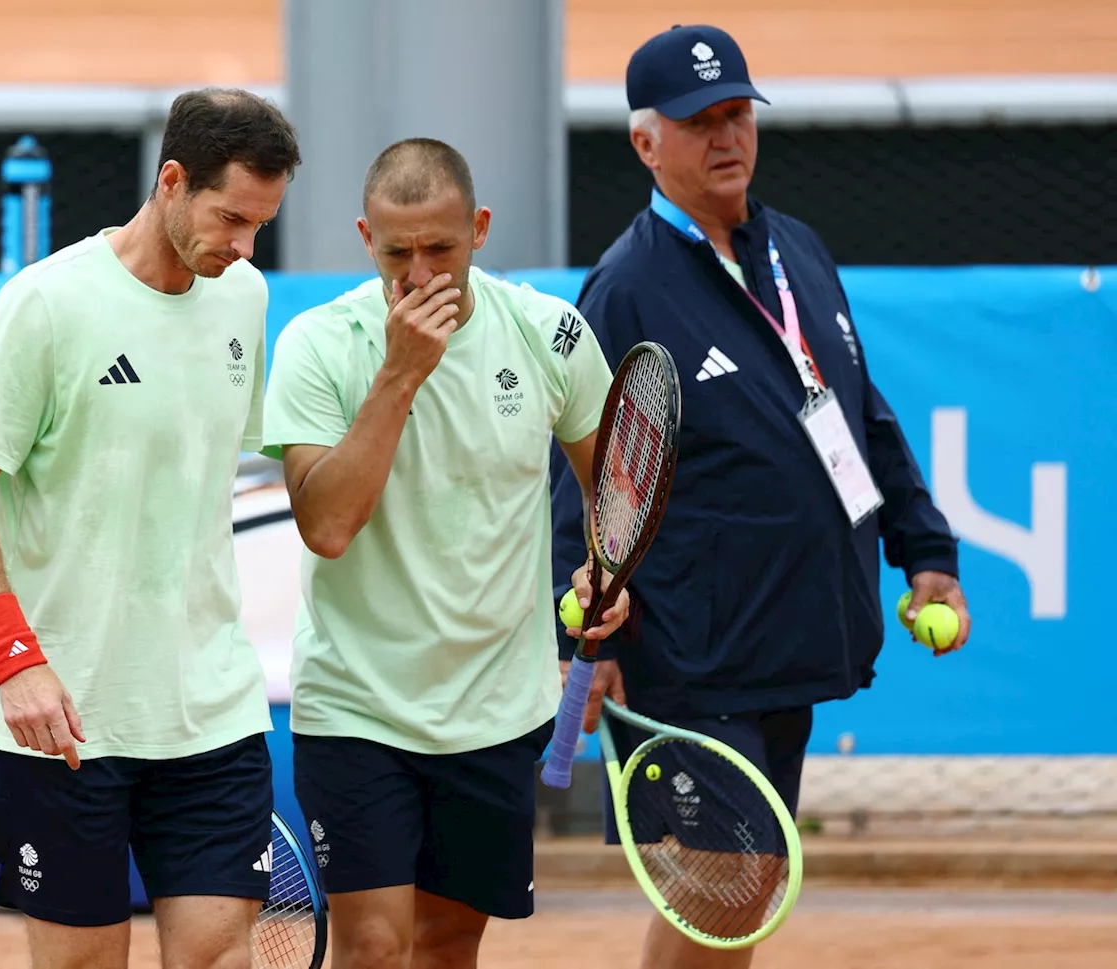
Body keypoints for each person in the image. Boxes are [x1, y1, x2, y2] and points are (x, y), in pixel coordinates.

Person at [548, 24, 973, 969]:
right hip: (691, 650)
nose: (726, 135)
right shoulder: (624, 289)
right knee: (724, 886)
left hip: (791, 632)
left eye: (738, 113)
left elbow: (861, 416)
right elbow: (584, 471)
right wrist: (580, 634)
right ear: (645, 143)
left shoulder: (799, 251)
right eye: (699, 121)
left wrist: (928, 552)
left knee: (748, 885)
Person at [0, 88, 301, 969]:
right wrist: (15, 659)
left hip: (210, 710)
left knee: (218, 958)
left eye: (262, 225)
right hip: (61, 720)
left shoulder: (241, 296)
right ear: (172, 180)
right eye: (230, 218)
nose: (245, 247)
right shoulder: (47, 304)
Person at [259, 137, 628, 969]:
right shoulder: (320, 345)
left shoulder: (549, 334)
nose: (420, 275)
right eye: (398, 253)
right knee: (374, 949)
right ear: (365, 238)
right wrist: (400, 375)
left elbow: (614, 483)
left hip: (496, 707)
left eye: (441, 249)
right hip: (357, 704)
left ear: (481, 229)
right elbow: (326, 526)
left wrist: (604, 566)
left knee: (449, 944)